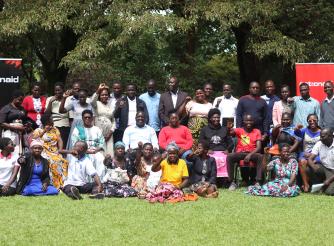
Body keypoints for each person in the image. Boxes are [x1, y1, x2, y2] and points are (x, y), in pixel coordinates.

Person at [32, 114, 68, 190]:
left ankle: (63, 184)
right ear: (46, 122)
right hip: (43, 151)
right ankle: (54, 185)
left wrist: (60, 150)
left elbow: (60, 140)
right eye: (51, 120)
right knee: (53, 162)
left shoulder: (55, 129)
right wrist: (44, 131)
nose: (53, 121)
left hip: (55, 151)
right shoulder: (38, 130)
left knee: (63, 161)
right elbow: (34, 139)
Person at [227, 114, 263, 191]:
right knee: (230, 156)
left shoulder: (257, 131)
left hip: (252, 153)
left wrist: (250, 155)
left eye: (250, 120)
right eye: (247, 120)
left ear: (253, 121)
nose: (248, 122)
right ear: (243, 121)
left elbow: (259, 147)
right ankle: (232, 182)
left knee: (260, 156)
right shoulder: (239, 130)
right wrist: (229, 128)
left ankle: (257, 181)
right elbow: (230, 132)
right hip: (240, 153)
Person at [199, 108, 234, 178]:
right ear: (210, 118)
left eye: (218, 117)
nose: (217, 119)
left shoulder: (224, 129)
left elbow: (230, 142)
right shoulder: (204, 129)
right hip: (210, 152)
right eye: (214, 117)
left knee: (226, 158)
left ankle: (226, 179)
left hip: (223, 152)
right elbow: (201, 142)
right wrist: (206, 150)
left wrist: (228, 150)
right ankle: (211, 178)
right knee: (211, 158)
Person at [71, 110, 105, 179]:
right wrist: (86, 151)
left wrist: (96, 150)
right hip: (82, 152)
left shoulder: (97, 129)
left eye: (89, 117)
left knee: (100, 159)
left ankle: (99, 182)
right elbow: (74, 143)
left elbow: (102, 142)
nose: (87, 119)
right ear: (82, 118)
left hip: (95, 151)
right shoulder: (77, 129)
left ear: (92, 118)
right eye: (85, 117)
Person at [295, 114, 321, 192]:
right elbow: (296, 134)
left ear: (317, 121)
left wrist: (314, 156)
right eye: (310, 121)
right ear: (307, 122)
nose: (312, 122)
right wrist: (296, 129)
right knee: (303, 161)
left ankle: (309, 184)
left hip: (317, 155)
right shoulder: (304, 131)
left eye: (314, 120)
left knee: (310, 162)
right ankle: (306, 184)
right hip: (304, 154)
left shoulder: (322, 132)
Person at [91, 83, 116, 155]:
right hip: (99, 132)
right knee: (100, 152)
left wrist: (110, 133)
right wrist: (98, 90)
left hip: (109, 134)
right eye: (102, 95)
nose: (104, 96)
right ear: (99, 96)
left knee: (109, 152)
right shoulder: (96, 104)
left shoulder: (111, 105)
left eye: (106, 95)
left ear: (108, 96)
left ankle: (109, 166)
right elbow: (92, 101)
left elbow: (113, 121)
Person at [307, 128, 334, 195]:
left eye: (323, 136)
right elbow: (310, 159)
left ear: (330, 136)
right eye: (320, 136)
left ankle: (326, 185)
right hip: (325, 168)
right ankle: (318, 186)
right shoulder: (319, 143)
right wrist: (314, 167)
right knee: (309, 169)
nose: (320, 138)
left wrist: (329, 180)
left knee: (330, 192)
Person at [0, 90, 27, 154]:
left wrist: (26, 125)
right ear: (14, 98)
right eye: (19, 99)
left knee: (18, 151)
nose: (21, 102)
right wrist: (16, 128)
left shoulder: (22, 109)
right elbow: (1, 123)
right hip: (9, 133)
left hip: (20, 134)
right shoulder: (6, 108)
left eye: (22, 100)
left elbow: (24, 120)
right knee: (9, 150)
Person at [45, 82, 70, 147]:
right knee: (54, 146)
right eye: (55, 90)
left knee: (63, 145)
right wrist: (51, 102)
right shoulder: (49, 99)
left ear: (63, 90)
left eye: (59, 90)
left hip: (64, 126)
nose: (57, 92)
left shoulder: (68, 99)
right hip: (53, 126)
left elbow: (70, 117)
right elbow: (47, 114)